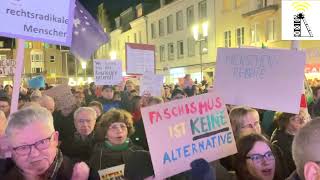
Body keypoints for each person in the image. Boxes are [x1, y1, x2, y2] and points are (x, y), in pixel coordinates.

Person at [2, 106, 98, 180]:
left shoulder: (85, 175)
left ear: (55, 139)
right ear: (11, 148)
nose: (34, 154)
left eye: (42, 142)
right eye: (23, 147)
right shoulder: (4, 173)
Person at [89, 109, 153, 178]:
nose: (119, 131)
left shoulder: (141, 153)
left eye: (122, 126)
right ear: (105, 134)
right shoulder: (97, 156)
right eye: (113, 127)